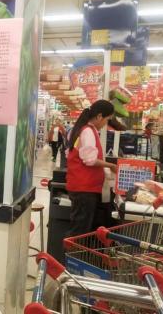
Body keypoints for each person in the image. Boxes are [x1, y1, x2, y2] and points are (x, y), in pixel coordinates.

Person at [66, 100, 118, 237]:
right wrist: (111, 166)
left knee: (80, 227)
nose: (105, 124)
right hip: (84, 189)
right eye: (107, 120)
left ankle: (71, 255)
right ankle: (70, 257)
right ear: (100, 116)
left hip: (81, 187)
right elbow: (89, 160)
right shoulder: (88, 131)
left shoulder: (82, 129)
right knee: (79, 231)